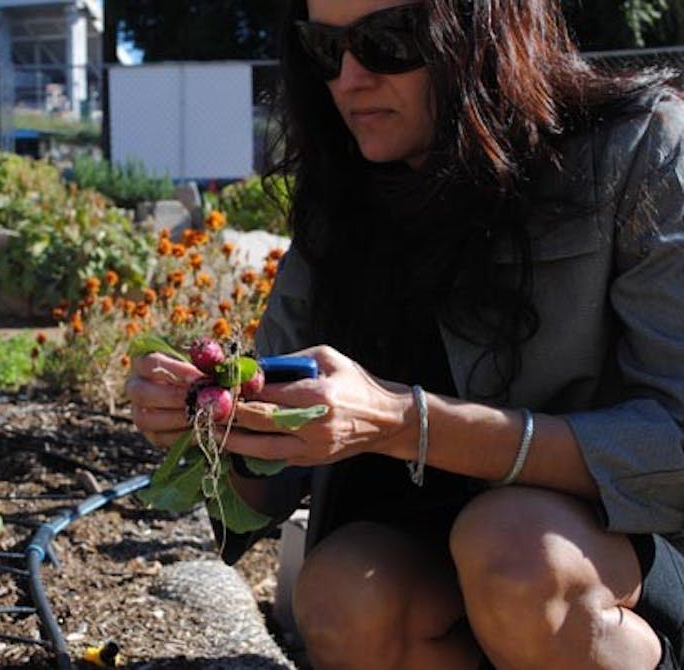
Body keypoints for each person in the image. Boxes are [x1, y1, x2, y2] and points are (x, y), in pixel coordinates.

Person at [126, 0, 684, 668]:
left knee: (513, 549)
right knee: (342, 590)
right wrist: (210, 427)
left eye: (389, 41)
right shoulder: (342, 194)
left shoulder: (637, 150)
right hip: (434, 582)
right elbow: (264, 493)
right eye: (324, 49)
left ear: (485, 35)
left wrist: (404, 422)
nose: (349, 79)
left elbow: (672, 448)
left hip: (613, 566)